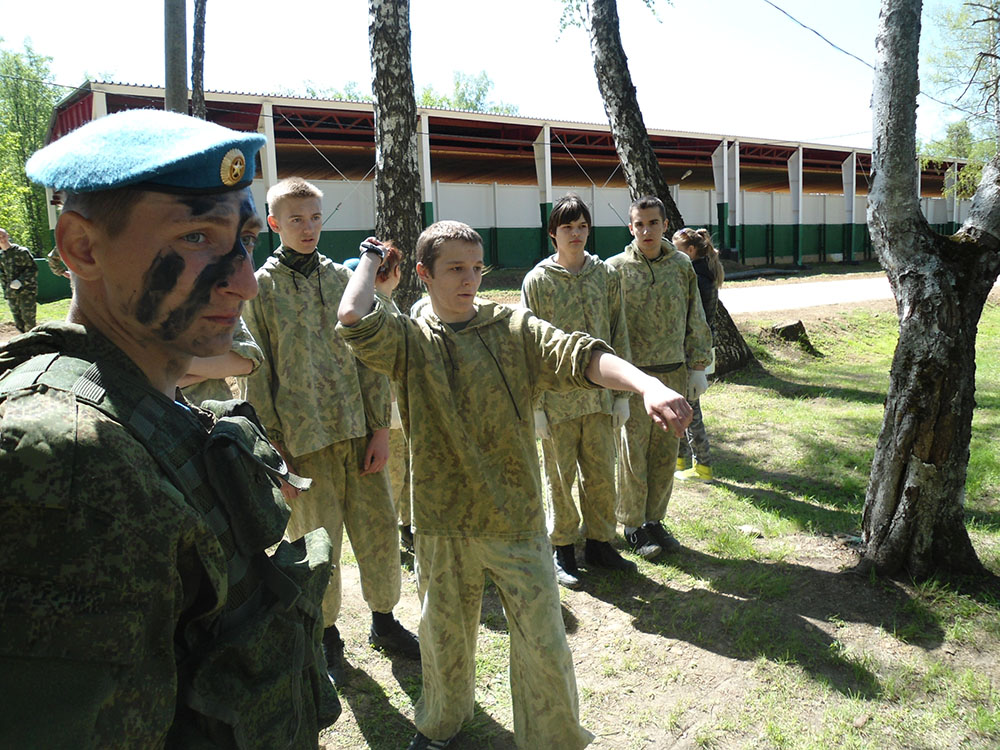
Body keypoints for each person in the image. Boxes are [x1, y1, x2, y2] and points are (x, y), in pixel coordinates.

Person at [1, 108, 338, 748]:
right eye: (195, 238)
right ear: (81, 247)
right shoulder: (65, 459)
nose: (243, 281)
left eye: (241, 240)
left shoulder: (143, 410)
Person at [337, 220, 692, 750]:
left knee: (544, 643)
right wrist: (368, 258)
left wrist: (646, 383)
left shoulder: (512, 328)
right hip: (442, 521)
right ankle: (438, 726)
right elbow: (351, 317)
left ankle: (554, 738)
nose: (469, 280)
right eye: (455, 268)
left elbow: (582, 353)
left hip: (515, 518)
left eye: (476, 268)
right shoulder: (408, 340)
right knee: (444, 640)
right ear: (423, 274)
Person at [243, 176, 418, 686]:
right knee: (318, 544)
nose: (307, 227)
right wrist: (273, 448)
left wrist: (380, 430)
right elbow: (257, 369)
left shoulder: (345, 280)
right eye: (295, 219)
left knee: (379, 532)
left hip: (358, 434)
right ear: (275, 224)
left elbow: (369, 360)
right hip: (302, 444)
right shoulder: (263, 287)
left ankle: (384, 621)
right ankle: (326, 636)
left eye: (315, 217)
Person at [520, 193, 635, 588]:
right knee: (559, 476)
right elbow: (528, 347)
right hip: (556, 401)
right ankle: (563, 547)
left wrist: (622, 395)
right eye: (567, 227)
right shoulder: (538, 281)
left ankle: (601, 542)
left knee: (602, 473)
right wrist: (535, 407)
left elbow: (619, 331)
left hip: (600, 398)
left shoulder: (605, 275)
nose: (576, 233)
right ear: (553, 233)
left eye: (582, 226)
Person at [607, 196, 713, 558]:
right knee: (633, 456)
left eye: (653, 223)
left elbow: (694, 316)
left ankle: (654, 520)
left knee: (666, 454)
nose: (646, 230)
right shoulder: (615, 269)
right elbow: (608, 326)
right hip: (633, 379)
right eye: (639, 224)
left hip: (674, 374)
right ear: (630, 227)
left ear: (665, 225)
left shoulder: (682, 265)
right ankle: (634, 526)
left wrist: (698, 366)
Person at [673, 228, 724, 483]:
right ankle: (680, 460)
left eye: (677, 248)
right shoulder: (700, 273)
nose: (672, 252)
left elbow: (694, 322)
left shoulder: (696, 278)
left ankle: (703, 465)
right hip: (695, 350)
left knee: (691, 409)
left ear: (690, 250)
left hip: (694, 352)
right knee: (680, 403)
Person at [373, 241, 414, 552]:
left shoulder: (386, 305)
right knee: (394, 477)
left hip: (397, 407)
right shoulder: (378, 308)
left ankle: (407, 526)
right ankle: (391, 533)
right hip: (388, 410)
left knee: (405, 473)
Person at [180, 316, 264, 403]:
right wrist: (206, 371)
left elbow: (246, 362)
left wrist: (177, 364)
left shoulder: (211, 305)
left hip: (212, 411)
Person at [0, 227, 38, 332]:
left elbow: (33, 270)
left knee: (29, 320)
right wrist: (7, 292)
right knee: (19, 322)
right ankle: (24, 344)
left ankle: (33, 343)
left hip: (26, 291)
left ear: (8, 236)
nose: (2, 239)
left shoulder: (22, 252)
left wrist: (20, 281)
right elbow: (2, 276)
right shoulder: (1, 256)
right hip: (12, 294)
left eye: (3, 236)